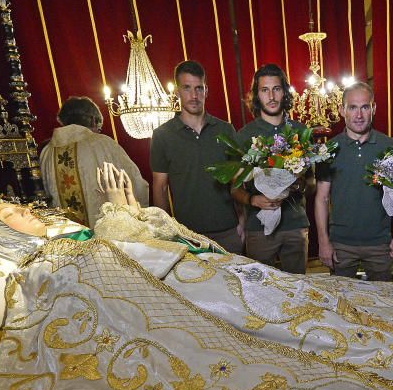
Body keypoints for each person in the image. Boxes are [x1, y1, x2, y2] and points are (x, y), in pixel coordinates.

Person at [150, 61, 244, 254]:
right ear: (177, 92)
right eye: (187, 88)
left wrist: (244, 221)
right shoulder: (162, 135)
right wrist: (168, 233)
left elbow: (237, 179)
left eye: (199, 88)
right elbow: (160, 186)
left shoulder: (225, 129)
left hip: (228, 231)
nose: (194, 95)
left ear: (206, 90)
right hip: (188, 236)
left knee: (236, 284)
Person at [315, 82, 393, 281]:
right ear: (342, 110)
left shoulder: (388, 145)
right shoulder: (328, 149)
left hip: (379, 243)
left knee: (383, 304)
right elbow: (321, 198)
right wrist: (323, 241)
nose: (359, 115)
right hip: (341, 244)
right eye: (352, 107)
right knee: (342, 305)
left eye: (364, 107)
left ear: (373, 109)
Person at [229, 64, 310, 273]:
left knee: (299, 288)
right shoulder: (244, 135)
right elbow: (234, 187)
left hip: (294, 225)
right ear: (257, 95)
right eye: (265, 90)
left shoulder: (300, 131)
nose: (271, 96)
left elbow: (313, 184)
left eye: (276, 89)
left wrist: (298, 186)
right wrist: (252, 200)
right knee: (263, 291)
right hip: (258, 227)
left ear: (284, 92)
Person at [39, 96, 149, 227]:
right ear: (92, 120)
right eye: (98, 127)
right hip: (109, 234)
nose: (98, 131)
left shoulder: (46, 152)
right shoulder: (103, 143)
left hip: (69, 237)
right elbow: (134, 182)